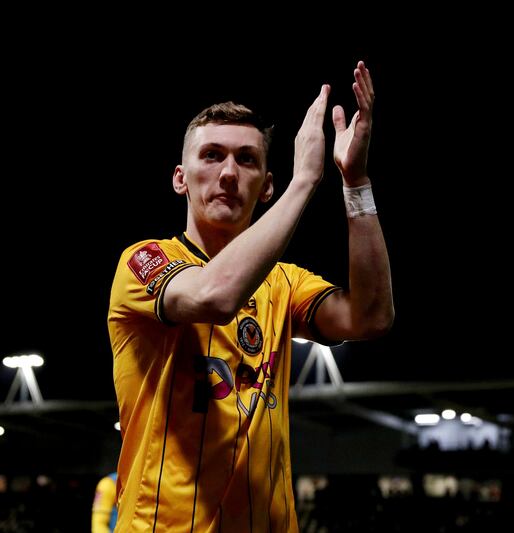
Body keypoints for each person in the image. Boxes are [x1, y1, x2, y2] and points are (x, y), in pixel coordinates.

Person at [108, 61, 394, 531]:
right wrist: (305, 181)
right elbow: (214, 296)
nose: (227, 173)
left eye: (246, 160)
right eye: (212, 156)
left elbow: (372, 316)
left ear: (265, 187)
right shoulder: (143, 262)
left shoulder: (285, 282)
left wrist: (355, 184)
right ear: (181, 178)